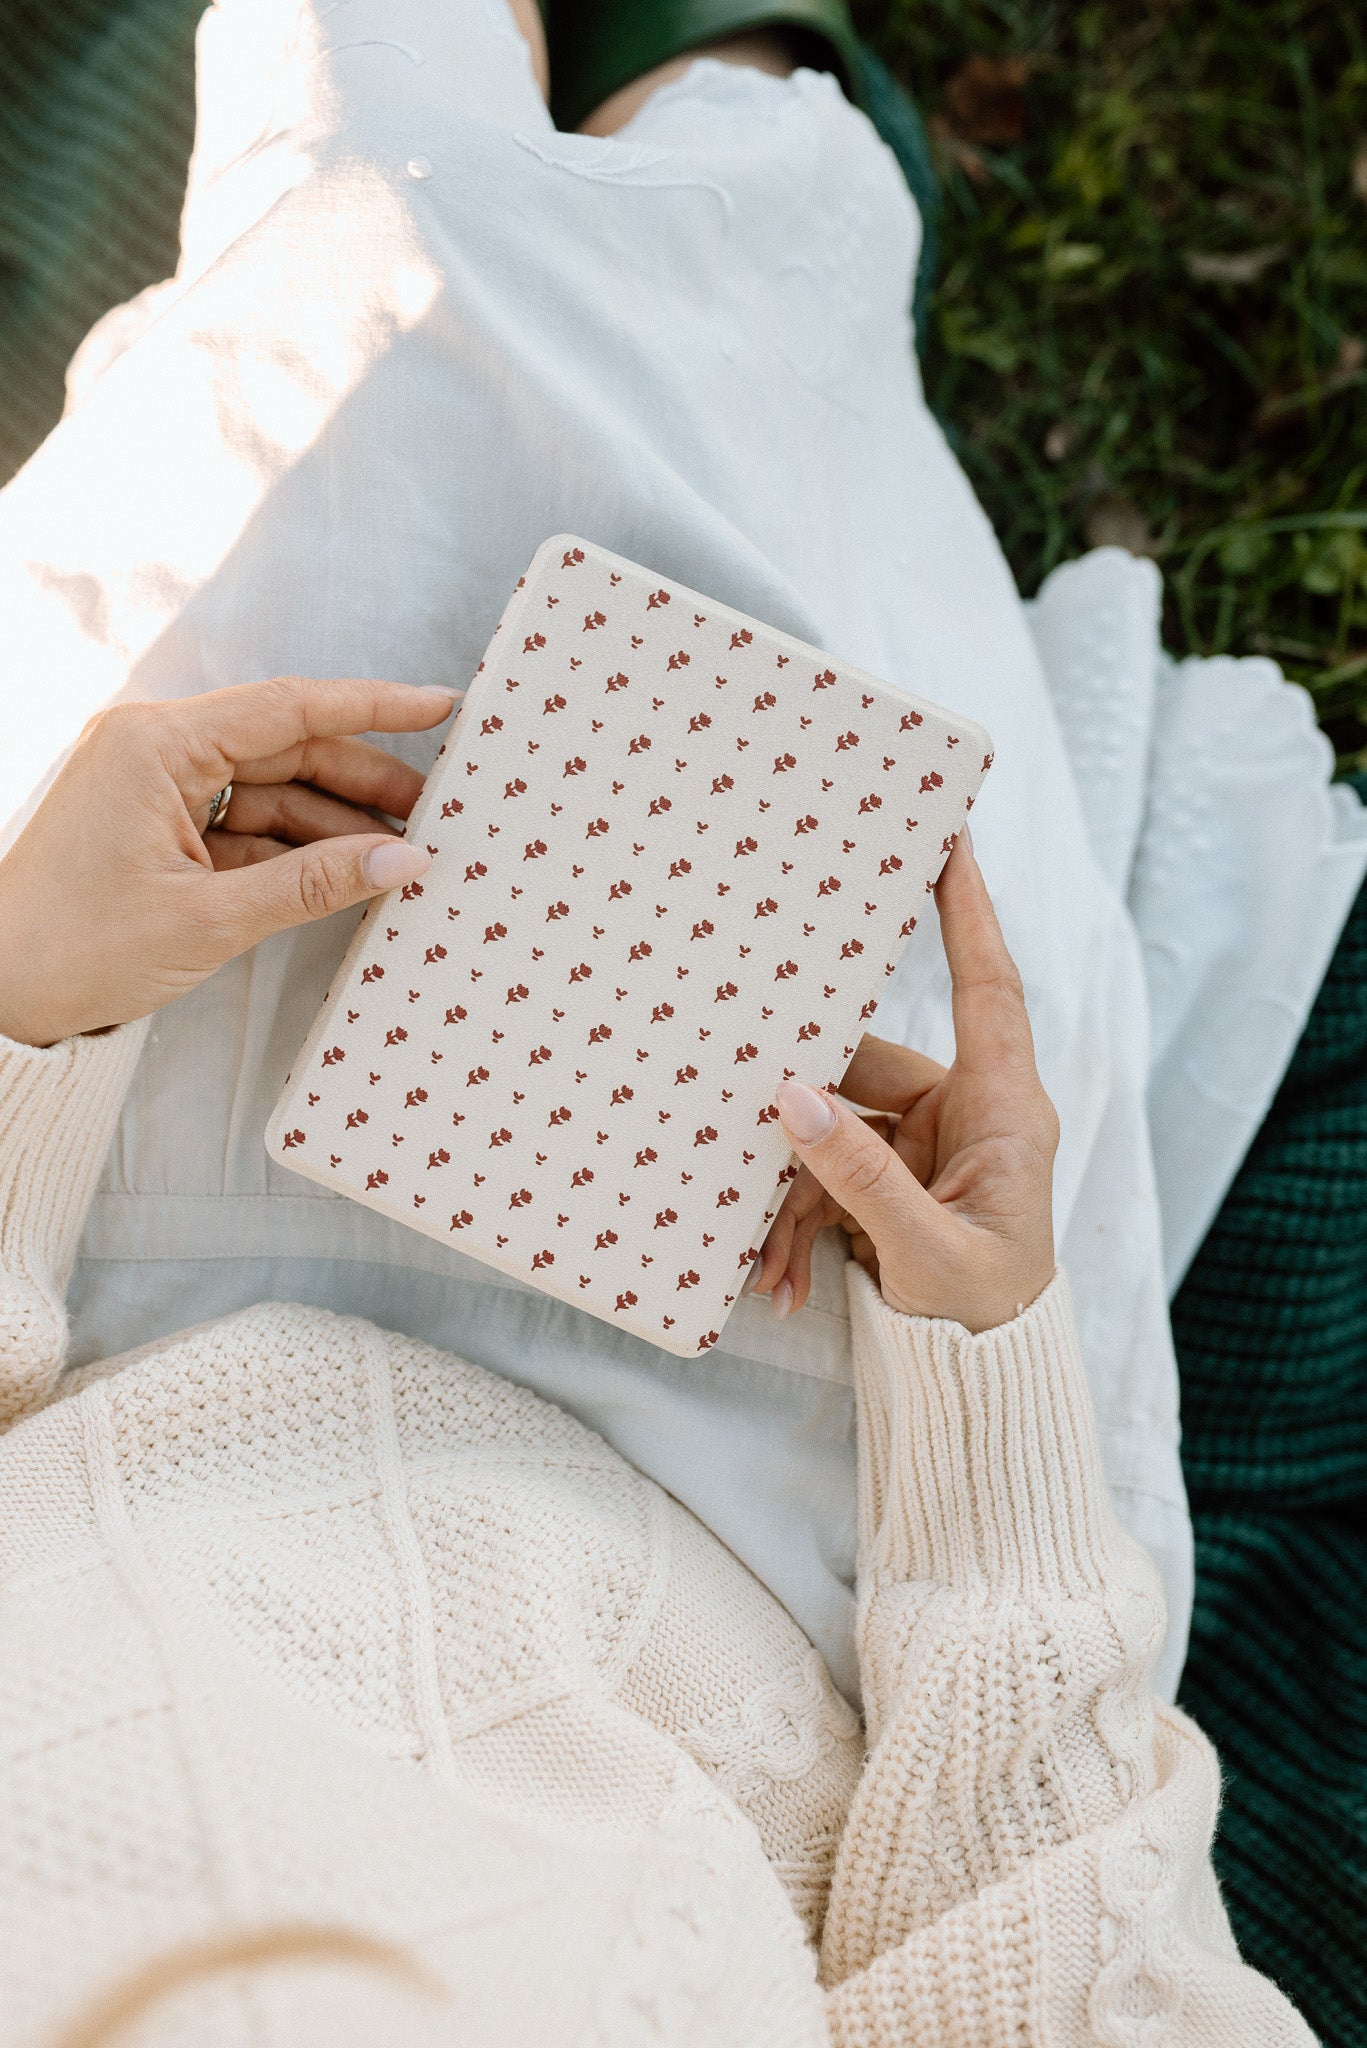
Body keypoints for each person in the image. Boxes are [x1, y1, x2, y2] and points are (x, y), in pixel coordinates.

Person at [0, 0, 1206, 1713]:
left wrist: (18, 1000)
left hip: (91, 1226)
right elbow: (1061, 1876)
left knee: (365, 237)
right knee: (744, 394)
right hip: (774, 1405)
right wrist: (981, 1350)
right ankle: (729, 92)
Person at [0, 677, 1314, 2046]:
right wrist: (981, 1370)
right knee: (836, 734)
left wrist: (24, 1003)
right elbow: (1073, 1973)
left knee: (303, 669)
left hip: (94, 1302)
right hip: (806, 1523)